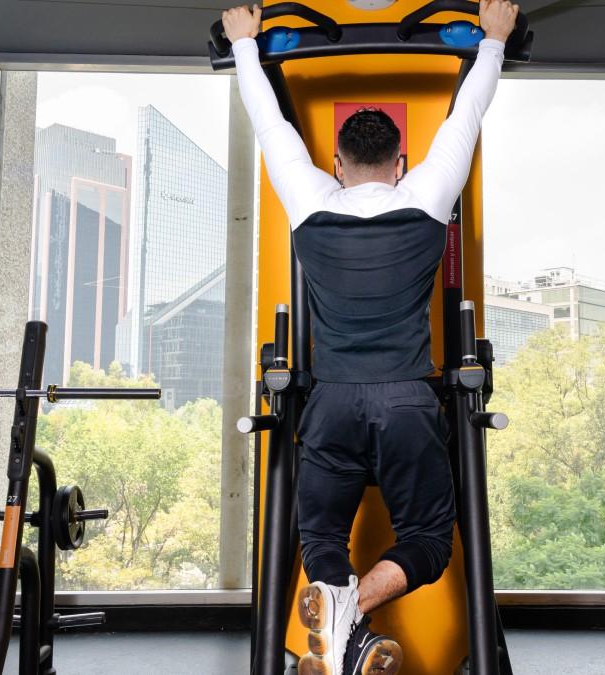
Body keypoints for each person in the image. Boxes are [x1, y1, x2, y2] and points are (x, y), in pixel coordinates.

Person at [221, 2, 519, 673]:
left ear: (336, 161)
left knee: (321, 537)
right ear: (400, 161)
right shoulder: (425, 199)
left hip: (330, 404)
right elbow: (467, 114)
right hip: (406, 403)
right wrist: (494, 39)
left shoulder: (310, 203)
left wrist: (244, 44)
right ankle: (352, 614)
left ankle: (341, 613)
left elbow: (269, 122)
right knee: (428, 540)